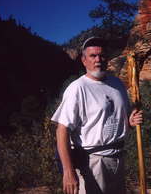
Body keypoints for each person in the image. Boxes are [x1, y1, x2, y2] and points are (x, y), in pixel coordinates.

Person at [51, 37, 143, 194]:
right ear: (84, 60)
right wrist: (68, 171)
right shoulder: (78, 89)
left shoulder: (117, 84)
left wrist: (131, 121)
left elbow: (119, 119)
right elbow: (62, 130)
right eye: (93, 56)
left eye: (102, 55)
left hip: (118, 158)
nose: (98, 60)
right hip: (92, 162)